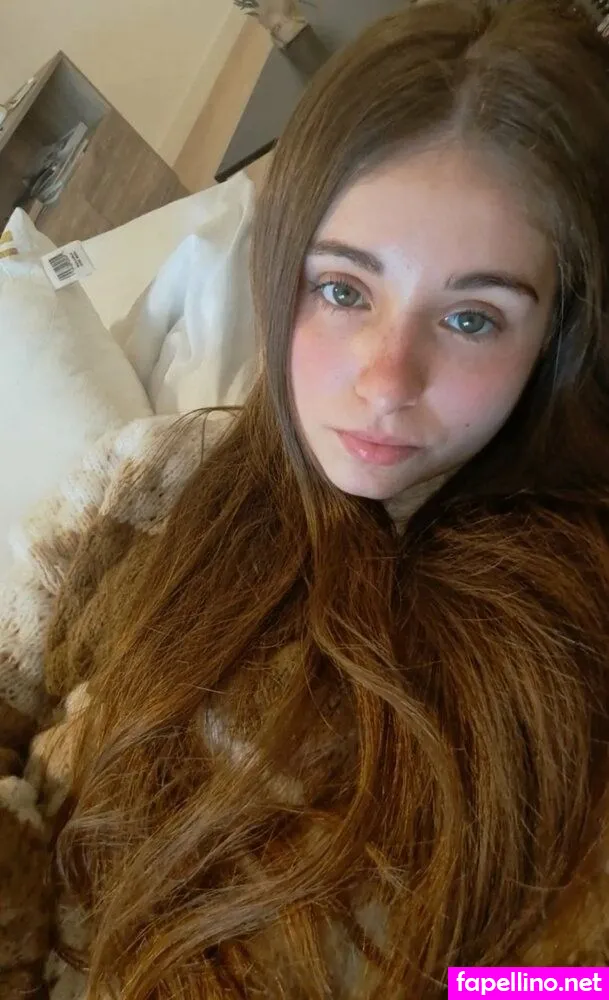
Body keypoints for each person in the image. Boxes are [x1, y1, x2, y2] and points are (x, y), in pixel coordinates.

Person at [3, 1, 609, 997]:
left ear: (557, 338)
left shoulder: (577, 636)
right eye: (343, 290)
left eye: (470, 317)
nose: (386, 380)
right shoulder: (148, 478)